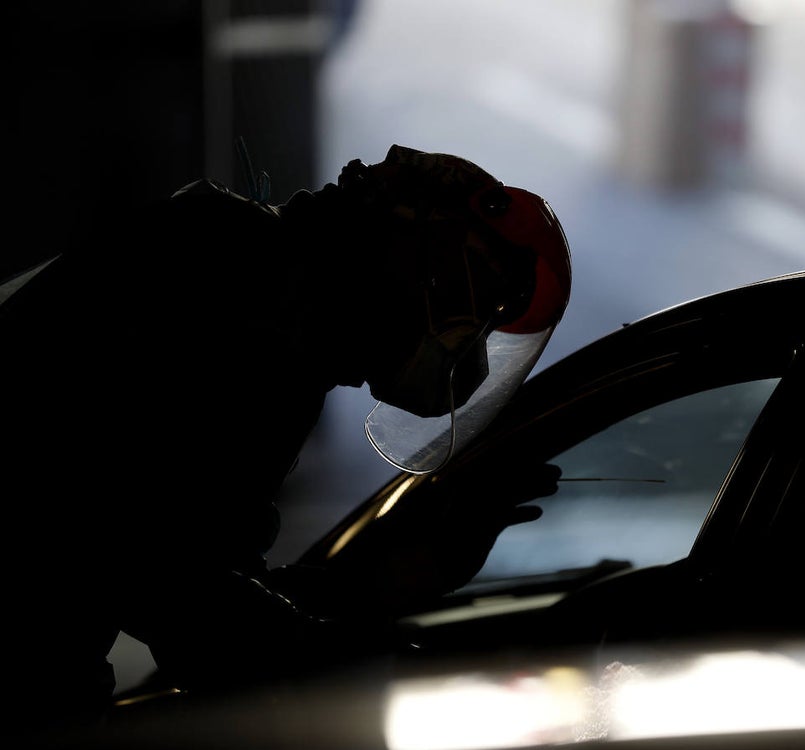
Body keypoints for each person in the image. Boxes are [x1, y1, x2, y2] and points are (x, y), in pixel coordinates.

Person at [0, 144, 571, 736]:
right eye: (472, 300)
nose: (468, 344)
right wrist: (357, 667)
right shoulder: (238, 285)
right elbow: (165, 587)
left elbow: (200, 572)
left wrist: (417, 565)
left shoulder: (282, 303)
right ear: (410, 241)